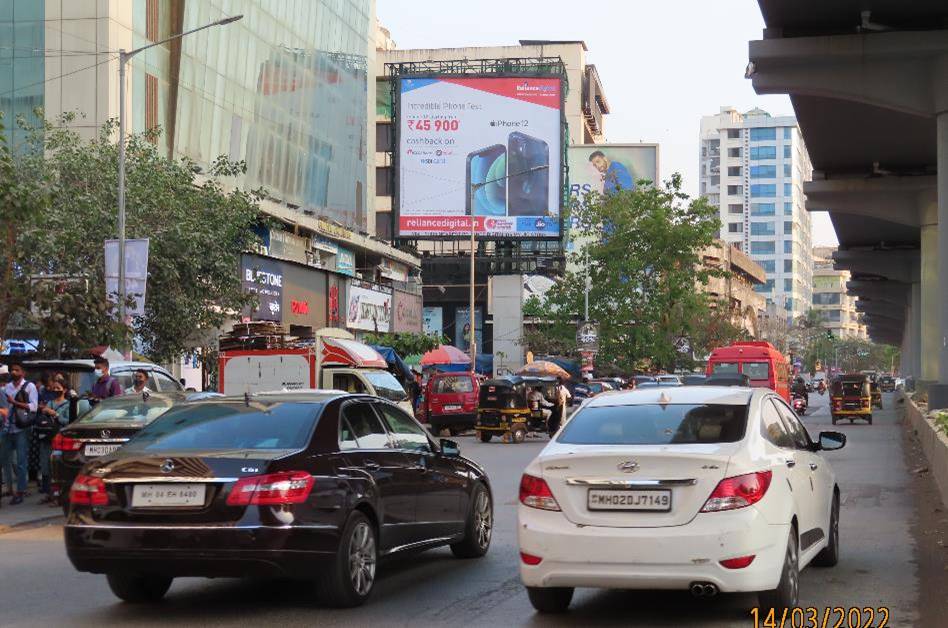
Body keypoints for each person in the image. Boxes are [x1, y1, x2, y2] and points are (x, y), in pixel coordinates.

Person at [36, 377, 88, 504]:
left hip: (59, 440)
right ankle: (48, 493)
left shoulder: (68, 405)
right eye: (54, 388)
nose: (55, 390)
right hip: (46, 438)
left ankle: (58, 496)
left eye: (58, 388)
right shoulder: (49, 403)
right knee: (45, 466)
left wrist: (54, 414)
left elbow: (67, 422)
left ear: (64, 390)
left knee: (57, 468)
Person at [2, 360, 38, 505]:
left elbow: (34, 407)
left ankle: (21, 491)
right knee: (4, 460)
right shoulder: (7, 387)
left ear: (23, 372)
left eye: (17, 370)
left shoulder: (30, 387)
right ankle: (9, 488)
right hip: (7, 427)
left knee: (21, 461)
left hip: (22, 428)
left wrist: (15, 403)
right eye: (12, 370)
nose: (13, 372)